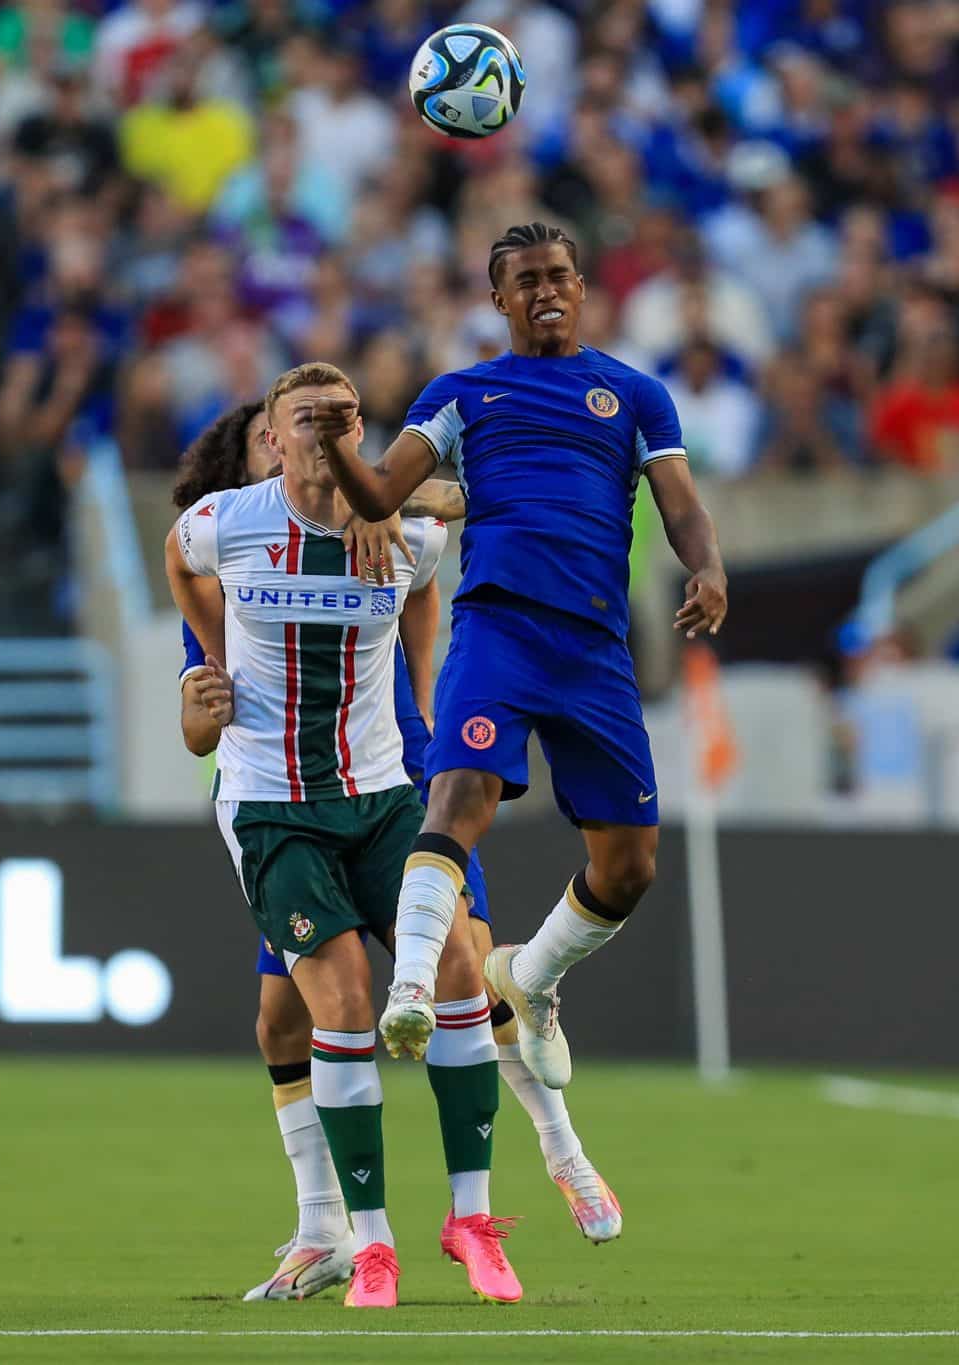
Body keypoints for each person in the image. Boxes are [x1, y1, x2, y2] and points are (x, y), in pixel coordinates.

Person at [168, 402, 624, 1302]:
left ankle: (561, 1147)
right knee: (284, 1018)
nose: (293, 456)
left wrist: (403, 509)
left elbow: (447, 524)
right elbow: (196, 706)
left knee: (467, 976)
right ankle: (327, 1228)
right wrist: (199, 710)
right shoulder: (236, 557)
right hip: (284, 800)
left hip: (398, 781)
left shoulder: (381, 530)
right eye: (277, 441)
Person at [306, 222, 728, 1093]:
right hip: (499, 627)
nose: (547, 290)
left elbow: (679, 502)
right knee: (460, 797)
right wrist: (344, 448)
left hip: (595, 646)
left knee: (630, 866)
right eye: (527, 279)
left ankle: (529, 978)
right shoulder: (464, 391)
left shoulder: (634, 394)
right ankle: (414, 985)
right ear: (497, 300)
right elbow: (384, 490)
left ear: (583, 288)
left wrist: (709, 566)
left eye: (561, 275)